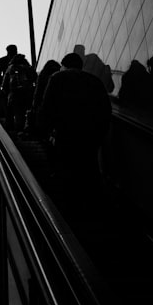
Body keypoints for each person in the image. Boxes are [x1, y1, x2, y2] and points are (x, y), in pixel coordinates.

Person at [40, 52, 112, 210]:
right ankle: (93, 208)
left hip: (65, 136)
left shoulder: (57, 78)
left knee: (66, 172)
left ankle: (68, 211)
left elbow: (47, 108)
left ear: (64, 66)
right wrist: (99, 135)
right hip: (90, 137)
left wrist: (47, 132)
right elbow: (106, 110)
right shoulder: (95, 81)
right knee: (89, 170)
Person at [3, 54, 36, 131]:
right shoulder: (28, 68)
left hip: (14, 95)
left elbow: (5, 84)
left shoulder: (10, 69)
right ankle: (28, 129)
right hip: (27, 94)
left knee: (18, 114)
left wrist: (8, 94)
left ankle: (18, 130)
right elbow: (35, 78)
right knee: (28, 112)